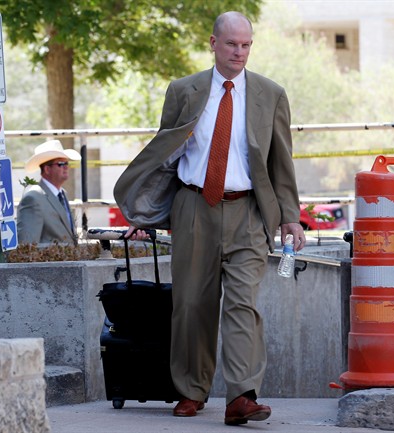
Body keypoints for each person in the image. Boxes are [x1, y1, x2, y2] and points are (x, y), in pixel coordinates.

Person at [114, 11, 305, 426]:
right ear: (213, 43)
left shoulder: (270, 94)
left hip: (249, 212)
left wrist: (291, 217)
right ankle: (191, 390)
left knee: (242, 304)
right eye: (232, 44)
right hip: (193, 207)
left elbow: (281, 162)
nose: (240, 52)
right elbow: (164, 154)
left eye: (247, 45)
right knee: (191, 304)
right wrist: (146, 208)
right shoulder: (184, 90)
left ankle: (242, 395)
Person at [17, 139, 81, 245]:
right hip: (51, 260)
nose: (66, 167)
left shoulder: (62, 194)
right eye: (60, 164)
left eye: (66, 163)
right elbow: (27, 247)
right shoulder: (33, 199)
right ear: (47, 169)